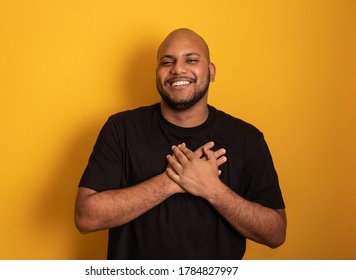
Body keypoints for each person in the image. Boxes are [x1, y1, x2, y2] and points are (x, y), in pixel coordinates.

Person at [75, 28, 286, 259]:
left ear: (211, 71)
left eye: (191, 59)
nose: (177, 69)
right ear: (157, 73)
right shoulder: (121, 129)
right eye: (167, 62)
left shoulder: (247, 138)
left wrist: (212, 189)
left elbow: (275, 233)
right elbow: (86, 218)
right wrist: (171, 181)